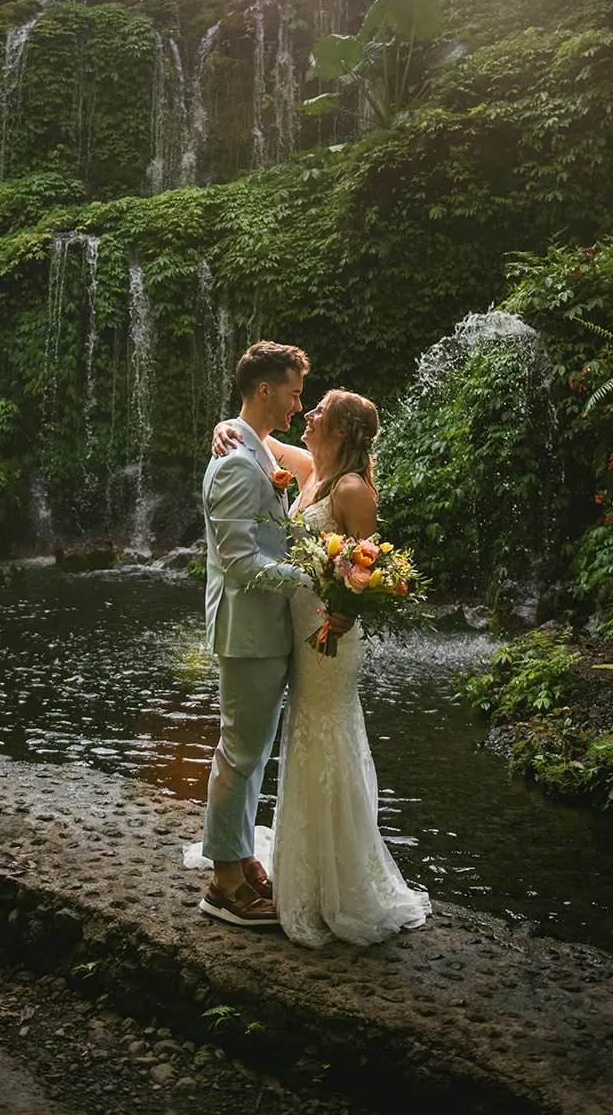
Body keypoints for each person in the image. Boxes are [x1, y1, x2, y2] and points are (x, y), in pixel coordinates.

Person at [204, 383, 431, 947]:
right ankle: (302, 868)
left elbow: (372, 570)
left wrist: (343, 614)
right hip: (298, 632)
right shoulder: (310, 470)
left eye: (319, 410)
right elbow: (255, 438)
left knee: (326, 738)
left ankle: (339, 880)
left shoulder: (353, 489)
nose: (306, 413)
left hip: (329, 636)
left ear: (342, 431)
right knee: (301, 738)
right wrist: (223, 428)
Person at [196, 340, 354, 927]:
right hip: (249, 629)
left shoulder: (253, 445)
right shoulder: (238, 459)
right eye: (293, 392)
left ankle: (237, 857)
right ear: (266, 389)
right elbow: (238, 559)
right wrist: (311, 575)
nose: (298, 403)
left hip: (266, 628)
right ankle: (223, 882)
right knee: (238, 753)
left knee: (252, 751)